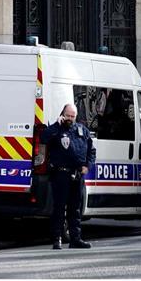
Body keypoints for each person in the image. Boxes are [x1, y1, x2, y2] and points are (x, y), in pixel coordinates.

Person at [42, 104, 95, 249]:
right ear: (63, 114)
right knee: (59, 208)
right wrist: (55, 125)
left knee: (75, 209)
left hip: (77, 175)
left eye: (73, 116)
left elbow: (91, 150)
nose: (70, 119)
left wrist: (87, 166)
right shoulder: (56, 129)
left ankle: (75, 239)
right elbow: (44, 138)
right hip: (61, 174)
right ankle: (56, 239)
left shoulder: (82, 130)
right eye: (68, 116)